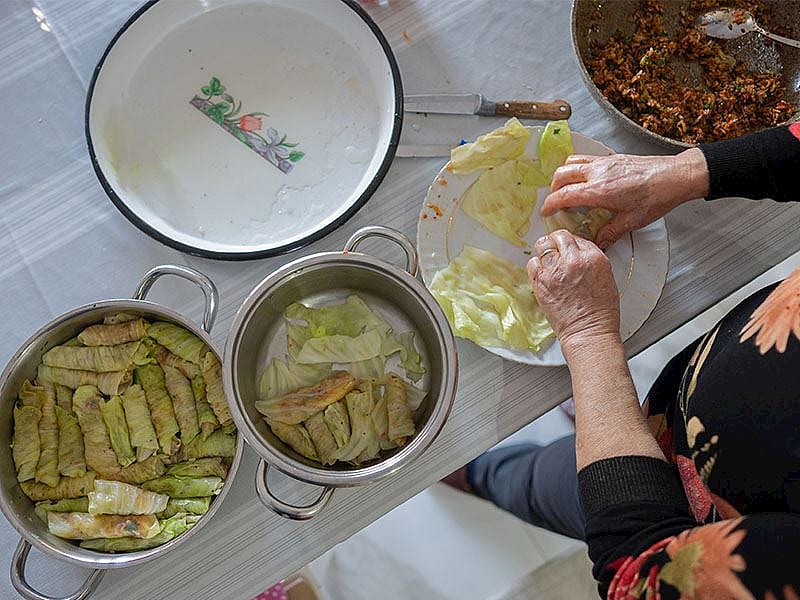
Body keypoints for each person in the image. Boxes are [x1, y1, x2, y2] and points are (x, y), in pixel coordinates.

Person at [444, 123, 800, 599]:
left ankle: (482, 476)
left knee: (535, 483)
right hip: (681, 407)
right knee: (611, 416)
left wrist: (587, 334)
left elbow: (637, 571)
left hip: (671, 502)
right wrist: (687, 172)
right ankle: (607, 413)